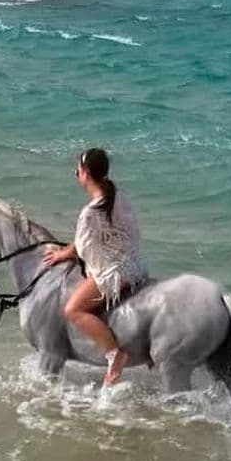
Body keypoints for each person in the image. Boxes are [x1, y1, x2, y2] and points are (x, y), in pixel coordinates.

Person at [43, 148, 148, 385]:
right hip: (137, 265)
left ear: (85, 174)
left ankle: (115, 353)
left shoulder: (90, 212)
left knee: (73, 310)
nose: (77, 174)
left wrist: (61, 254)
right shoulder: (120, 196)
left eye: (77, 170)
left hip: (116, 273)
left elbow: (81, 247)